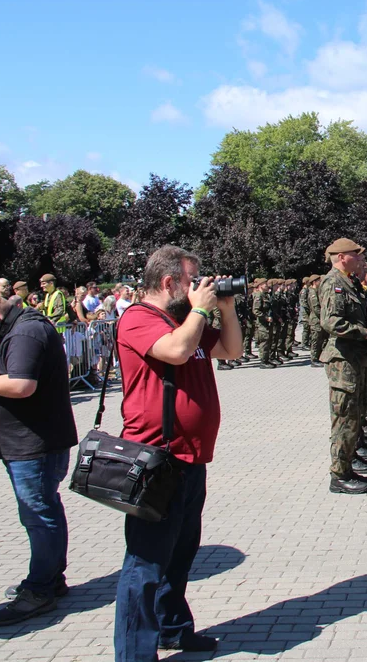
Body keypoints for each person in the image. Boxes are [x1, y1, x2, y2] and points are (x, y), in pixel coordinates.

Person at [112, 245, 242, 661]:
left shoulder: (184, 319)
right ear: (168, 283)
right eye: (192, 280)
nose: (198, 286)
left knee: (181, 555)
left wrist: (225, 306)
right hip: (156, 458)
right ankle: (134, 653)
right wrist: (200, 311)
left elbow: (231, 351)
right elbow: (176, 351)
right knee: (145, 564)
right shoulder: (138, 318)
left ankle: (173, 629)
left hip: (192, 458)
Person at [0, 288, 78, 626]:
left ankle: (40, 589)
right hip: (26, 443)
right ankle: (50, 580)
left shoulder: (26, 330)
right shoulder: (16, 329)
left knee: (38, 515)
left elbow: (21, 385)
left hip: (34, 444)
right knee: (44, 511)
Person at [319, 239, 367, 494]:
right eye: (356, 256)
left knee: (353, 416)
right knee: (344, 418)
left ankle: (349, 462)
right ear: (342, 257)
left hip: (353, 358)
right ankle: (339, 475)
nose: (360, 260)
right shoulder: (333, 283)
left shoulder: (349, 280)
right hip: (342, 361)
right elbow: (330, 322)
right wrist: (363, 332)